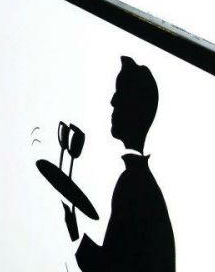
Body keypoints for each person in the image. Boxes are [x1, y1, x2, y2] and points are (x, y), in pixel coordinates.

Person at [63, 56, 175, 271]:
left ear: (136, 110)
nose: (113, 101)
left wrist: (74, 234)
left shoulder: (133, 183)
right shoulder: (139, 181)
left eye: (120, 94)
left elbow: (108, 267)